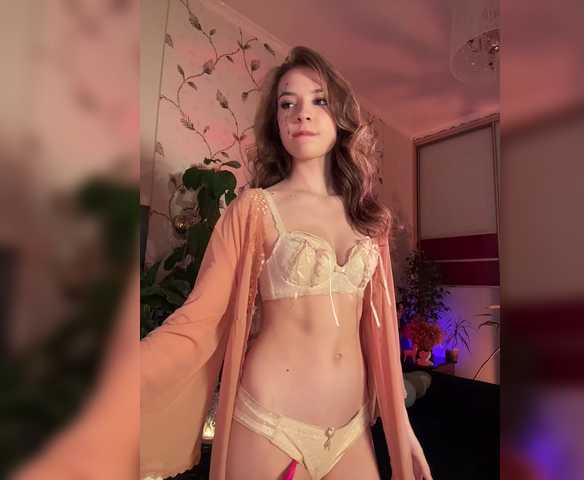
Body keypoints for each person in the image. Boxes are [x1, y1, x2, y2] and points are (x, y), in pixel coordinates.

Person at [140, 46, 433, 480]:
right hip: (268, 423)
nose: (302, 113)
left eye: (319, 100)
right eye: (287, 104)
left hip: (351, 430)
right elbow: (197, 320)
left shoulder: (371, 221)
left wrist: (401, 427)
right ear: (276, 123)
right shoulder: (254, 209)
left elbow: (382, 336)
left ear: (340, 116)